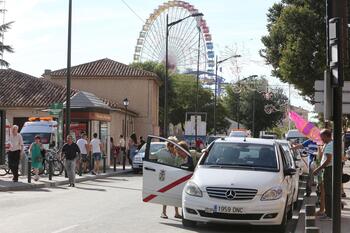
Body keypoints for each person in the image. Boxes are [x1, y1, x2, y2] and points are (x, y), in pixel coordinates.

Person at [152, 136, 181, 219]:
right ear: (168, 145)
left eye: (175, 145)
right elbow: (152, 156)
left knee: (175, 192)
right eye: (171, 145)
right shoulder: (162, 152)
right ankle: (163, 212)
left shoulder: (178, 153)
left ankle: (176, 212)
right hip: (165, 175)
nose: (173, 147)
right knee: (165, 193)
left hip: (175, 174)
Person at [313, 129, 333, 220]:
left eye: (322, 137)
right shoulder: (329, 144)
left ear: (326, 136)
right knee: (327, 192)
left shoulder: (329, 145)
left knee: (328, 192)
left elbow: (328, 160)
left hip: (328, 170)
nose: (321, 139)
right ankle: (327, 212)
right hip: (328, 169)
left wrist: (318, 169)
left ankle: (329, 214)